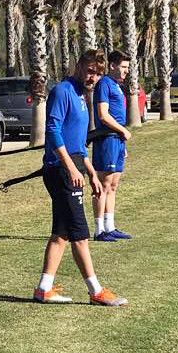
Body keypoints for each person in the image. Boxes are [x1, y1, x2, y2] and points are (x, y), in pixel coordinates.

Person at [34, 49, 128, 307]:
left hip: (74, 166)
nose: (93, 78)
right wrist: (71, 168)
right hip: (60, 169)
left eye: (98, 74)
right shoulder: (63, 91)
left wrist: (89, 170)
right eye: (89, 71)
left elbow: (77, 142)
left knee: (61, 234)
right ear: (78, 66)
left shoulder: (81, 95)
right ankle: (96, 290)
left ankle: (44, 288)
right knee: (80, 233)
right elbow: (52, 131)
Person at [91, 50, 133, 243]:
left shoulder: (117, 86)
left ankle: (110, 226)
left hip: (117, 140)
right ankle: (99, 229)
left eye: (128, 67)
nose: (126, 71)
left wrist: (122, 139)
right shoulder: (104, 84)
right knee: (104, 184)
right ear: (113, 66)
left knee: (114, 185)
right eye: (123, 67)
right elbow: (103, 114)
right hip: (107, 138)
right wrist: (122, 130)